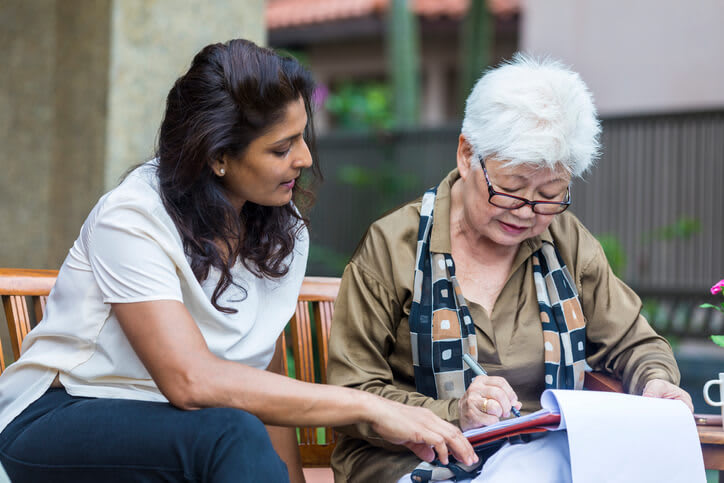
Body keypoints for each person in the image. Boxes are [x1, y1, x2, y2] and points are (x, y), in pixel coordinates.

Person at [0, 39, 477, 483]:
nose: (306, 158)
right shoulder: (132, 217)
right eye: (281, 147)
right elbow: (190, 381)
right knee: (229, 432)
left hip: (185, 431)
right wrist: (368, 407)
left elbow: (258, 377)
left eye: (302, 137)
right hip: (59, 415)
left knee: (231, 430)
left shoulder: (280, 230)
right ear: (218, 156)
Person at [326, 54, 694, 483]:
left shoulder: (566, 242)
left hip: (540, 457)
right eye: (512, 189)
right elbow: (352, 393)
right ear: (467, 154)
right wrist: (453, 414)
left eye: (550, 194)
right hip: (414, 464)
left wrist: (655, 382)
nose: (527, 212)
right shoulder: (394, 247)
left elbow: (635, 342)